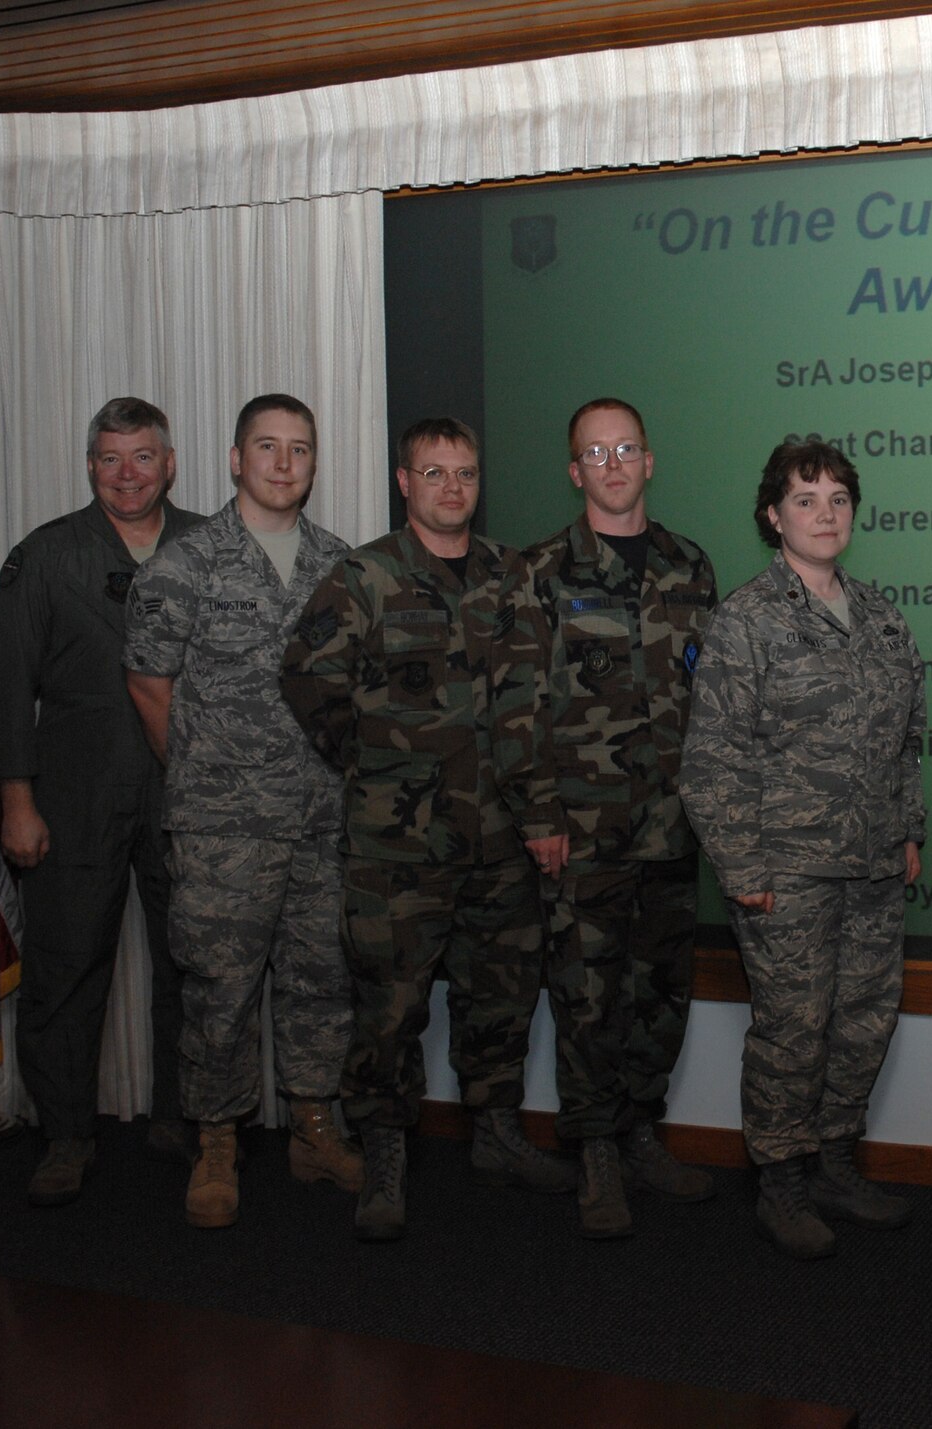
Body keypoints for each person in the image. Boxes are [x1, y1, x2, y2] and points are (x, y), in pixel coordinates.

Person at [281, 417, 572, 1241]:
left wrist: (541, 815)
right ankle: (383, 1153)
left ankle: (496, 1133)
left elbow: (533, 703)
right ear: (404, 482)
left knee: (503, 996)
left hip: (501, 840)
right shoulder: (365, 576)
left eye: (466, 473)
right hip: (398, 845)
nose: (452, 487)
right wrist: (374, 764)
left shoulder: (510, 574)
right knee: (390, 1006)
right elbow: (305, 675)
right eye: (435, 472)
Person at [683, 440, 927, 1259]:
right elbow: (712, 756)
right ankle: (781, 1181)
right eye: (806, 498)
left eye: (837, 498)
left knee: (862, 1022)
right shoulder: (748, 619)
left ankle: (834, 1163)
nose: (825, 513)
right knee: (794, 1027)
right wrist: (742, 867)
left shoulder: (883, 616)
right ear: (772, 515)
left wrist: (909, 830)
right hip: (785, 869)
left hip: (871, 864)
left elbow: (908, 741)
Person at [124, 393, 363, 1229]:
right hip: (223, 825)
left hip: (320, 821)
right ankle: (217, 1142)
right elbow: (150, 685)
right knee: (220, 990)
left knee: (320, 980)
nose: (284, 462)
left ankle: (312, 1124)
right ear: (235, 458)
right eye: (268, 446)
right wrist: (203, 774)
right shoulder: (184, 564)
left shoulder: (341, 565)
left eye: (300, 448)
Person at [0, 397, 203, 1206]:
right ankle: (68, 1134)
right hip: (73, 792)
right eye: (109, 459)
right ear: (89, 467)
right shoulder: (45, 556)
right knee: (67, 967)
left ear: (170, 463)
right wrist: (16, 801)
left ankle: (182, 1121)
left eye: (142, 457)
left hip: (186, 791)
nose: (126, 475)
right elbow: (7, 686)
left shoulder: (208, 548)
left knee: (193, 962)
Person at [524, 397, 718, 1239]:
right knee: (587, 991)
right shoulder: (540, 572)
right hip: (583, 826)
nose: (611, 463)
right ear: (575, 471)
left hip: (675, 825)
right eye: (594, 452)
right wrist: (538, 814)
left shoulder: (690, 564)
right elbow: (516, 707)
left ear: (649, 461)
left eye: (625, 448)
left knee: (662, 988)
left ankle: (642, 1130)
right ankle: (595, 1150)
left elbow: (710, 695)